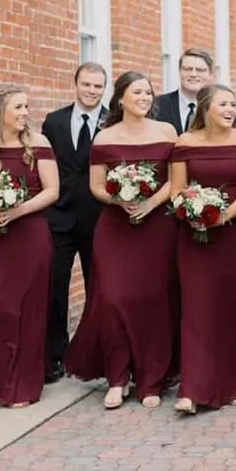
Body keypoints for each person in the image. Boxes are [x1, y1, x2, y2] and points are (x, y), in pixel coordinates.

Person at [64, 72, 178, 409]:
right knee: (112, 299)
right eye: (137, 92)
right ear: (121, 99)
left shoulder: (167, 132)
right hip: (115, 228)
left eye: (148, 92)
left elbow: (175, 181)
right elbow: (96, 186)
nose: (144, 98)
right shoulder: (104, 137)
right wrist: (119, 200)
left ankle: (151, 378)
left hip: (157, 227)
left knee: (153, 300)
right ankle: (117, 376)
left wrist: (149, 203)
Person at [170, 84, 236, 413]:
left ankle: (229, 383)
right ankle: (191, 389)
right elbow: (177, 189)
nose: (231, 110)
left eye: (234, 105)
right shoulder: (185, 143)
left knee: (231, 307)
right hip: (194, 236)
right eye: (223, 104)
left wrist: (222, 214)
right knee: (196, 308)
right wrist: (190, 212)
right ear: (205, 108)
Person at [0, 85, 59, 408]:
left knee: (26, 310)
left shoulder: (38, 144)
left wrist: (16, 210)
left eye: (27, 106)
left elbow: (52, 191)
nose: (25, 112)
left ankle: (21, 386)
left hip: (29, 236)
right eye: (18, 107)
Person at [41, 62, 107, 383]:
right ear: (76, 84)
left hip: (99, 219)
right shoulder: (53, 122)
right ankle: (55, 355)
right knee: (54, 286)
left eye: (98, 86)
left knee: (100, 286)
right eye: (87, 85)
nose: (92, 91)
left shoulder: (111, 124)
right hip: (59, 217)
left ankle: (99, 354)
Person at [155, 48, 215, 135]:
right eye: (187, 69)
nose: (193, 74)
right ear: (179, 71)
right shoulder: (157, 105)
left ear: (210, 74)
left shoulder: (221, 108)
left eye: (200, 70)